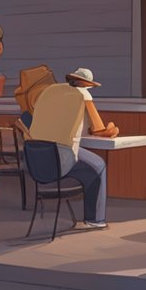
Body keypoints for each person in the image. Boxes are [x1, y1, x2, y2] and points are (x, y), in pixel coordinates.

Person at [29, 68, 118, 229]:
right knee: (98, 166)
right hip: (60, 158)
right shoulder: (83, 95)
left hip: (36, 158)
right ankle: (95, 220)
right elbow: (100, 130)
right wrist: (113, 128)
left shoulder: (50, 91)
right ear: (86, 84)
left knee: (88, 161)